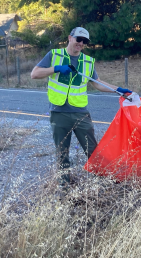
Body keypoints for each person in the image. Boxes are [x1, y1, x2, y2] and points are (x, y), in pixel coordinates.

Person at [31, 27, 132, 187]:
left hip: (80, 114)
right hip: (59, 112)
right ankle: (64, 188)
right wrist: (57, 68)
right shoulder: (54, 55)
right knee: (62, 153)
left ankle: (104, 183)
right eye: (79, 39)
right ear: (70, 38)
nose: (81, 43)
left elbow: (98, 84)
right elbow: (34, 74)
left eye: (85, 41)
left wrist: (117, 89)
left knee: (92, 150)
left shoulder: (87, 61)